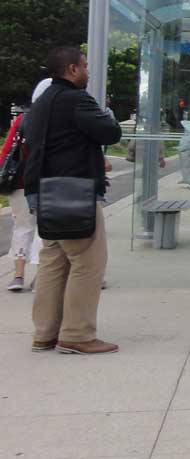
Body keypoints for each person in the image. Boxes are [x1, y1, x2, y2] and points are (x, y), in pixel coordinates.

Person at [22, 47, 122, 354]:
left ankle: (45, 333)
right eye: (86, 67)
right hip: (74, 192)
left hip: (44, 193)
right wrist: (104, 112)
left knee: (53, 262)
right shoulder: (77, 100)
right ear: (72, 69)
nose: (88, 72)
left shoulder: (40, 104)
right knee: (87, 263)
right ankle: (77, 335)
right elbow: (111, 132)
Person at [3, 79, 49, 291]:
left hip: (20, 182)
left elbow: (6, 153)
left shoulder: (21, 120)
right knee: (44, 230)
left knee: (22, 226)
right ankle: (40, 277)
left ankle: (18, 276)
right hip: (46, 183)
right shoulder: (53, 122)